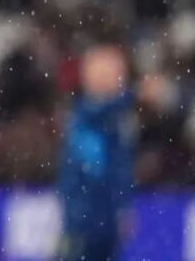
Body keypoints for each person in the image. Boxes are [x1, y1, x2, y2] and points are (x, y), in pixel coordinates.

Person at [57, 44, 135, 261]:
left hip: (103, 219)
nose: (116, 80)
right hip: (84, 220)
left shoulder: (116, 120)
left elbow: (120, 172)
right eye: (108, 73)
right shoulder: (88, 118)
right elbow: (88, 171)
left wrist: (122, 207)